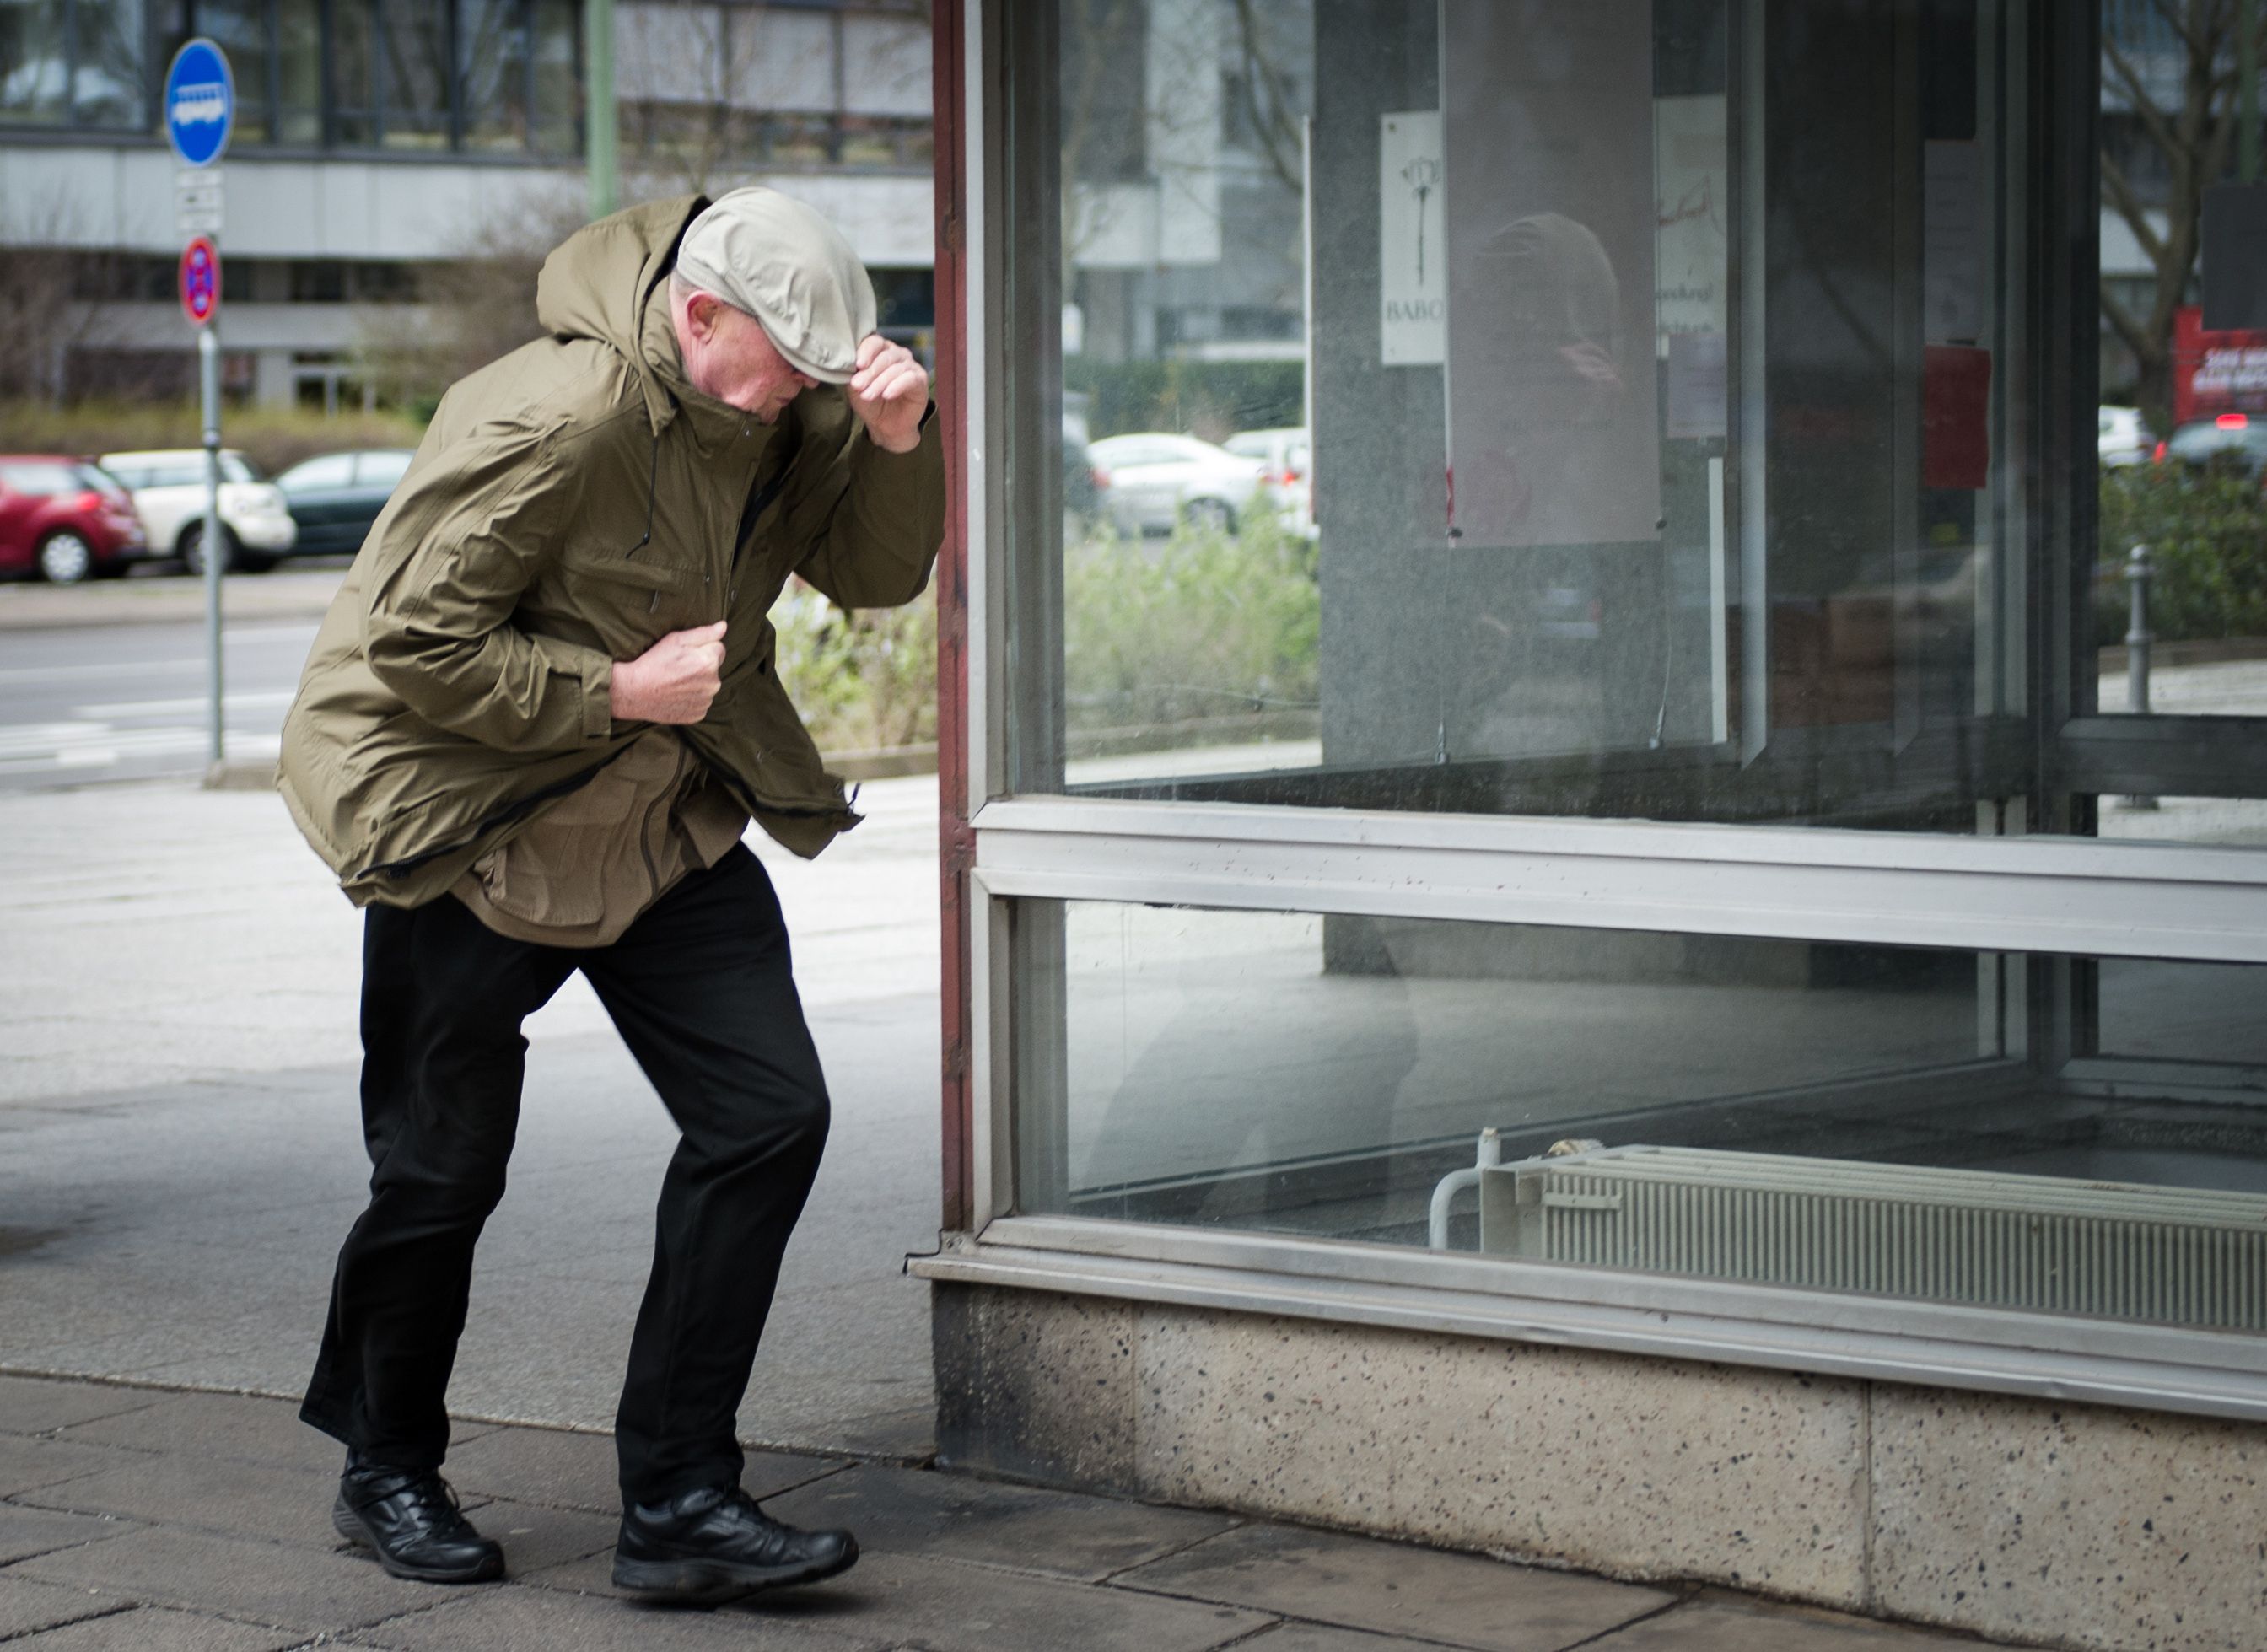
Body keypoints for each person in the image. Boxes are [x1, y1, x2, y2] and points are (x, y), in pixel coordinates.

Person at [275, 187, 944, 1602]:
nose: (804, 394)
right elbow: (412, 642)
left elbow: (876, 575)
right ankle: (385, 1467)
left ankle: (681, 1499)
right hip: (477, 825)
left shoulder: (793, 403)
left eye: (823, 372)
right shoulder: (554, 420)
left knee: (768, 1115)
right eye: (789, 366)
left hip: (661, 821)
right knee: (441, 1172)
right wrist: (620, 690)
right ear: (701, 317)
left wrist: (895, 443)